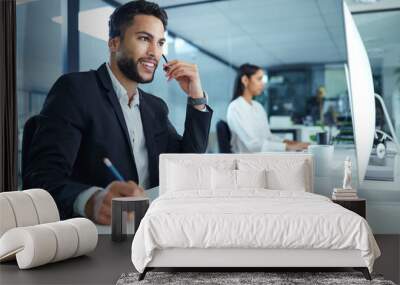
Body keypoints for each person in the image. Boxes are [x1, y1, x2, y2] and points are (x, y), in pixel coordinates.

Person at [23, 0, 212, 224]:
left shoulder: (155, 107)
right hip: (100, 233)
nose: (154, 52)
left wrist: (196, 97)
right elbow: (41, 179)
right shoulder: (76, 90)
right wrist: (90, 199)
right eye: (144, 38)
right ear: (114, 43)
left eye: (160, 43)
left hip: (149, 223)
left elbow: (186, 163)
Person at [227, 63, 308, 153]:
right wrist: (288, 147)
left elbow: (268, 137)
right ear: (245, 80)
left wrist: (295, 144)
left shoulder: (258, 106)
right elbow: (253, 145)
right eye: (259, 79)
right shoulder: (235, 107)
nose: (263, 84)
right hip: (249, 161)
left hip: (263, 157)